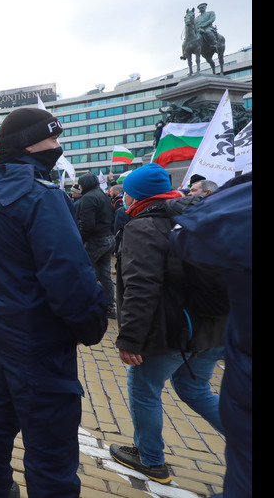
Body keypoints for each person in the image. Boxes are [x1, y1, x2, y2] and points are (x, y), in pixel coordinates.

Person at [0, 107, 108, 498]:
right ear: (29, 144)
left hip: (0, 330)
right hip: (40, 341)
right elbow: (69, 276)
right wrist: (90, 326)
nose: (58, 147)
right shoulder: (41, 196)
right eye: (53, 138)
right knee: (51, 449)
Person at [109, 163, 226, 484]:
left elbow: (141, 286)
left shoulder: (144, 227)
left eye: (128, 191)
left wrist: (131, 338)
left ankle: (150, 459)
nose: (125, 196)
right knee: (195, 389)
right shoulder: (196, 213)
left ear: (138, 195)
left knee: (144, 388)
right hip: (214, 326)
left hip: (174, 330)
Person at [171, 174, 252, 498]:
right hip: (220, 337)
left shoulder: (235, 224)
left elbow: (188, 234)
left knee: (153, 387)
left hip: (229, 351)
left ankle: (149, 456)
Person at [75, 172, 116, 315]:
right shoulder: (103, 195)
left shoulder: (88, 198)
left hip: (96, 241)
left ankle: (86, 305)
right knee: (105, 275)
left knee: (83, 271)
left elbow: (87, 225)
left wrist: (79, 241)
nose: (78, 187)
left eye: (79, 184)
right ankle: (110, 306)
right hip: (108, 238)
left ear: (84, 184)